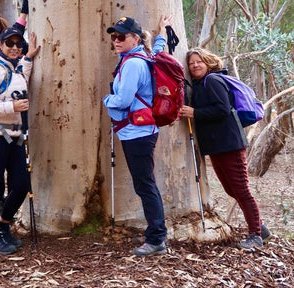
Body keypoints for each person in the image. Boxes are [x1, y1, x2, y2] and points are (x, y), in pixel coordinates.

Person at [180, 47, 271, 251]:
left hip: (230, 144)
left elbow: (222, 108)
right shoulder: (200, 84)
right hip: (217, 146)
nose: (195, 65)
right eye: (191, 63)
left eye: (199, 61)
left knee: (241, 189)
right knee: (231, 189)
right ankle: (260, 228)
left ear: (209, 62)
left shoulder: (213, 80)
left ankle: (256, 236)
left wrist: (195, 112)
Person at [103, 14, 171, 257]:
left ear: (135, 38)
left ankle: (157, 238)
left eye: (121, 36)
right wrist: (162, 33)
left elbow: (122, 100)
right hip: (140, 131)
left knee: (145, 185)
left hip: (137, 133)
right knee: (145, 183)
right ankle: (156, 235)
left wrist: (106, 100)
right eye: (114, 36)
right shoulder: (144, 56)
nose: (116, 40)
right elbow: (158, 50)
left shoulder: (132, 63)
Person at [0, 26, 40, 254]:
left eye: (17, 44)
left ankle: (3, 225)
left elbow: (25, 72)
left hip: (14, 137)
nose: (14, 47)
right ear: (0, 45)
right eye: (9, 43)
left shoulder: (16, 68)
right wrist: (11, 106)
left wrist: (30, 55)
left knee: (21, 185)